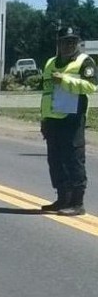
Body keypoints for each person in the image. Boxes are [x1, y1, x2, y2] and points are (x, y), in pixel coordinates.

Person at [39, 26, 96, 216]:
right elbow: (46, 93)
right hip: (53, 119)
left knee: (73, 160)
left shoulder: (84, 62)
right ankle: (62, 198)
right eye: (64, 41)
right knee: (55, 160)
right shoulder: (50, 63)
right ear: (59, 43)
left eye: (72, 41)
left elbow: (91, 86)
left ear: (77, 42)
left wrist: (64, 80)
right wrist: (44, 118)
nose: (68, 45)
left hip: (73, 118)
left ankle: (77, 202)